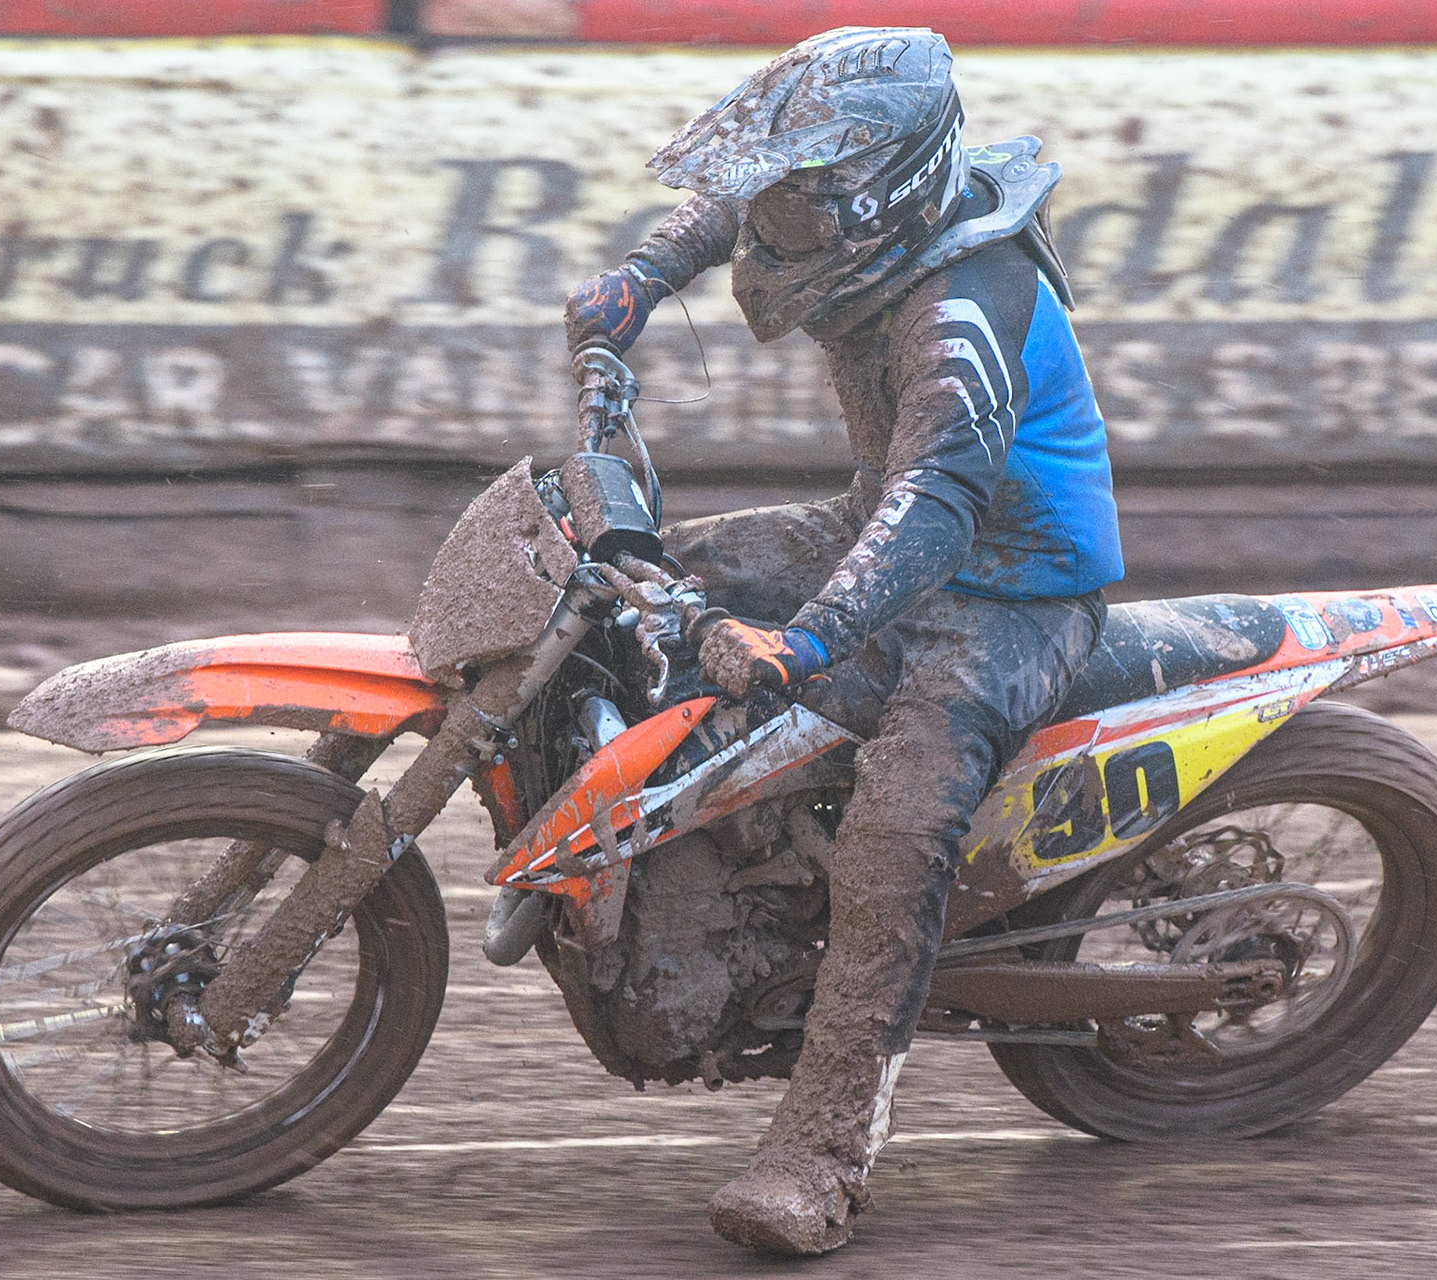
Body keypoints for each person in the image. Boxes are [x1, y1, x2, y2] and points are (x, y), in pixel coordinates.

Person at [563, 26, 1125, 1256]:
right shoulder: (857, 215)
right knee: (626, 579)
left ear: (882, 196)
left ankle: (823, 1149)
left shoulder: (962, 313)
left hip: (1008, 594)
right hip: (874, 520)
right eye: (783, 199)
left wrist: (803, 644)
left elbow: (938, 505)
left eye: (806, 210)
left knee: (895, 827)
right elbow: (736, 210)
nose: (776, 233)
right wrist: (640, 281)